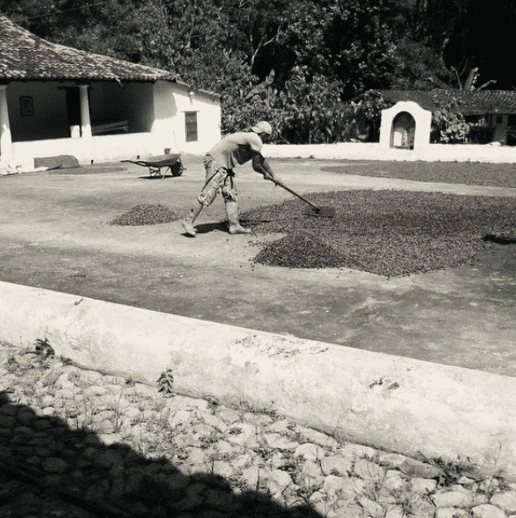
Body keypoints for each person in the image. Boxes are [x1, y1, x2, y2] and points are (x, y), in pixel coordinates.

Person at [182, 121, 277, 237]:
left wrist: (273, 175)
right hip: (216, 162)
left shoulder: (249, 136)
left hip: (224, 165)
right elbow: (256, 165)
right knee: (208, 193)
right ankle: (188, 221)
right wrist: (265, 174)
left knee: (231, 193)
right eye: (267, 137)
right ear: (264, 134)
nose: (266, 140)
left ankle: (234, 225)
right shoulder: (255, 139)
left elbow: (261, 160)